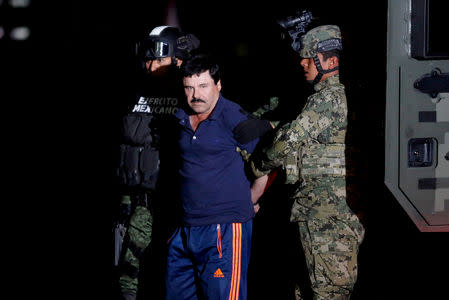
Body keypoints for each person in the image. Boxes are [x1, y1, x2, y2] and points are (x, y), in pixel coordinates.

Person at [249, 25, 365, 300]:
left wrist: (257, 166)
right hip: (314, 212)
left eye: (310, 56)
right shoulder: (319, 98)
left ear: (331, 62)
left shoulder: (328, 98)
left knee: (327, 292)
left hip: (325, 216)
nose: (302, 62)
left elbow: (289, 140)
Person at [164, 52, 269, 300]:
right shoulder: (179, 116)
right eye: (189, 88)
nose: (196, 95)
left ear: (218, 85)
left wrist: (251, 199)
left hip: (224, 227)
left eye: (203, 86)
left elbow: (269, 161)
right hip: (185, 229)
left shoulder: (232, 116)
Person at [115, 25, 200, 300]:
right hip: (128, 196)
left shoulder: (190, 94)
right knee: (122, 267)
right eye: (149, 59)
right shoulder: (131, 89)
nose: (151, 66)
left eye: (159, 59)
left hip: (166, 200)